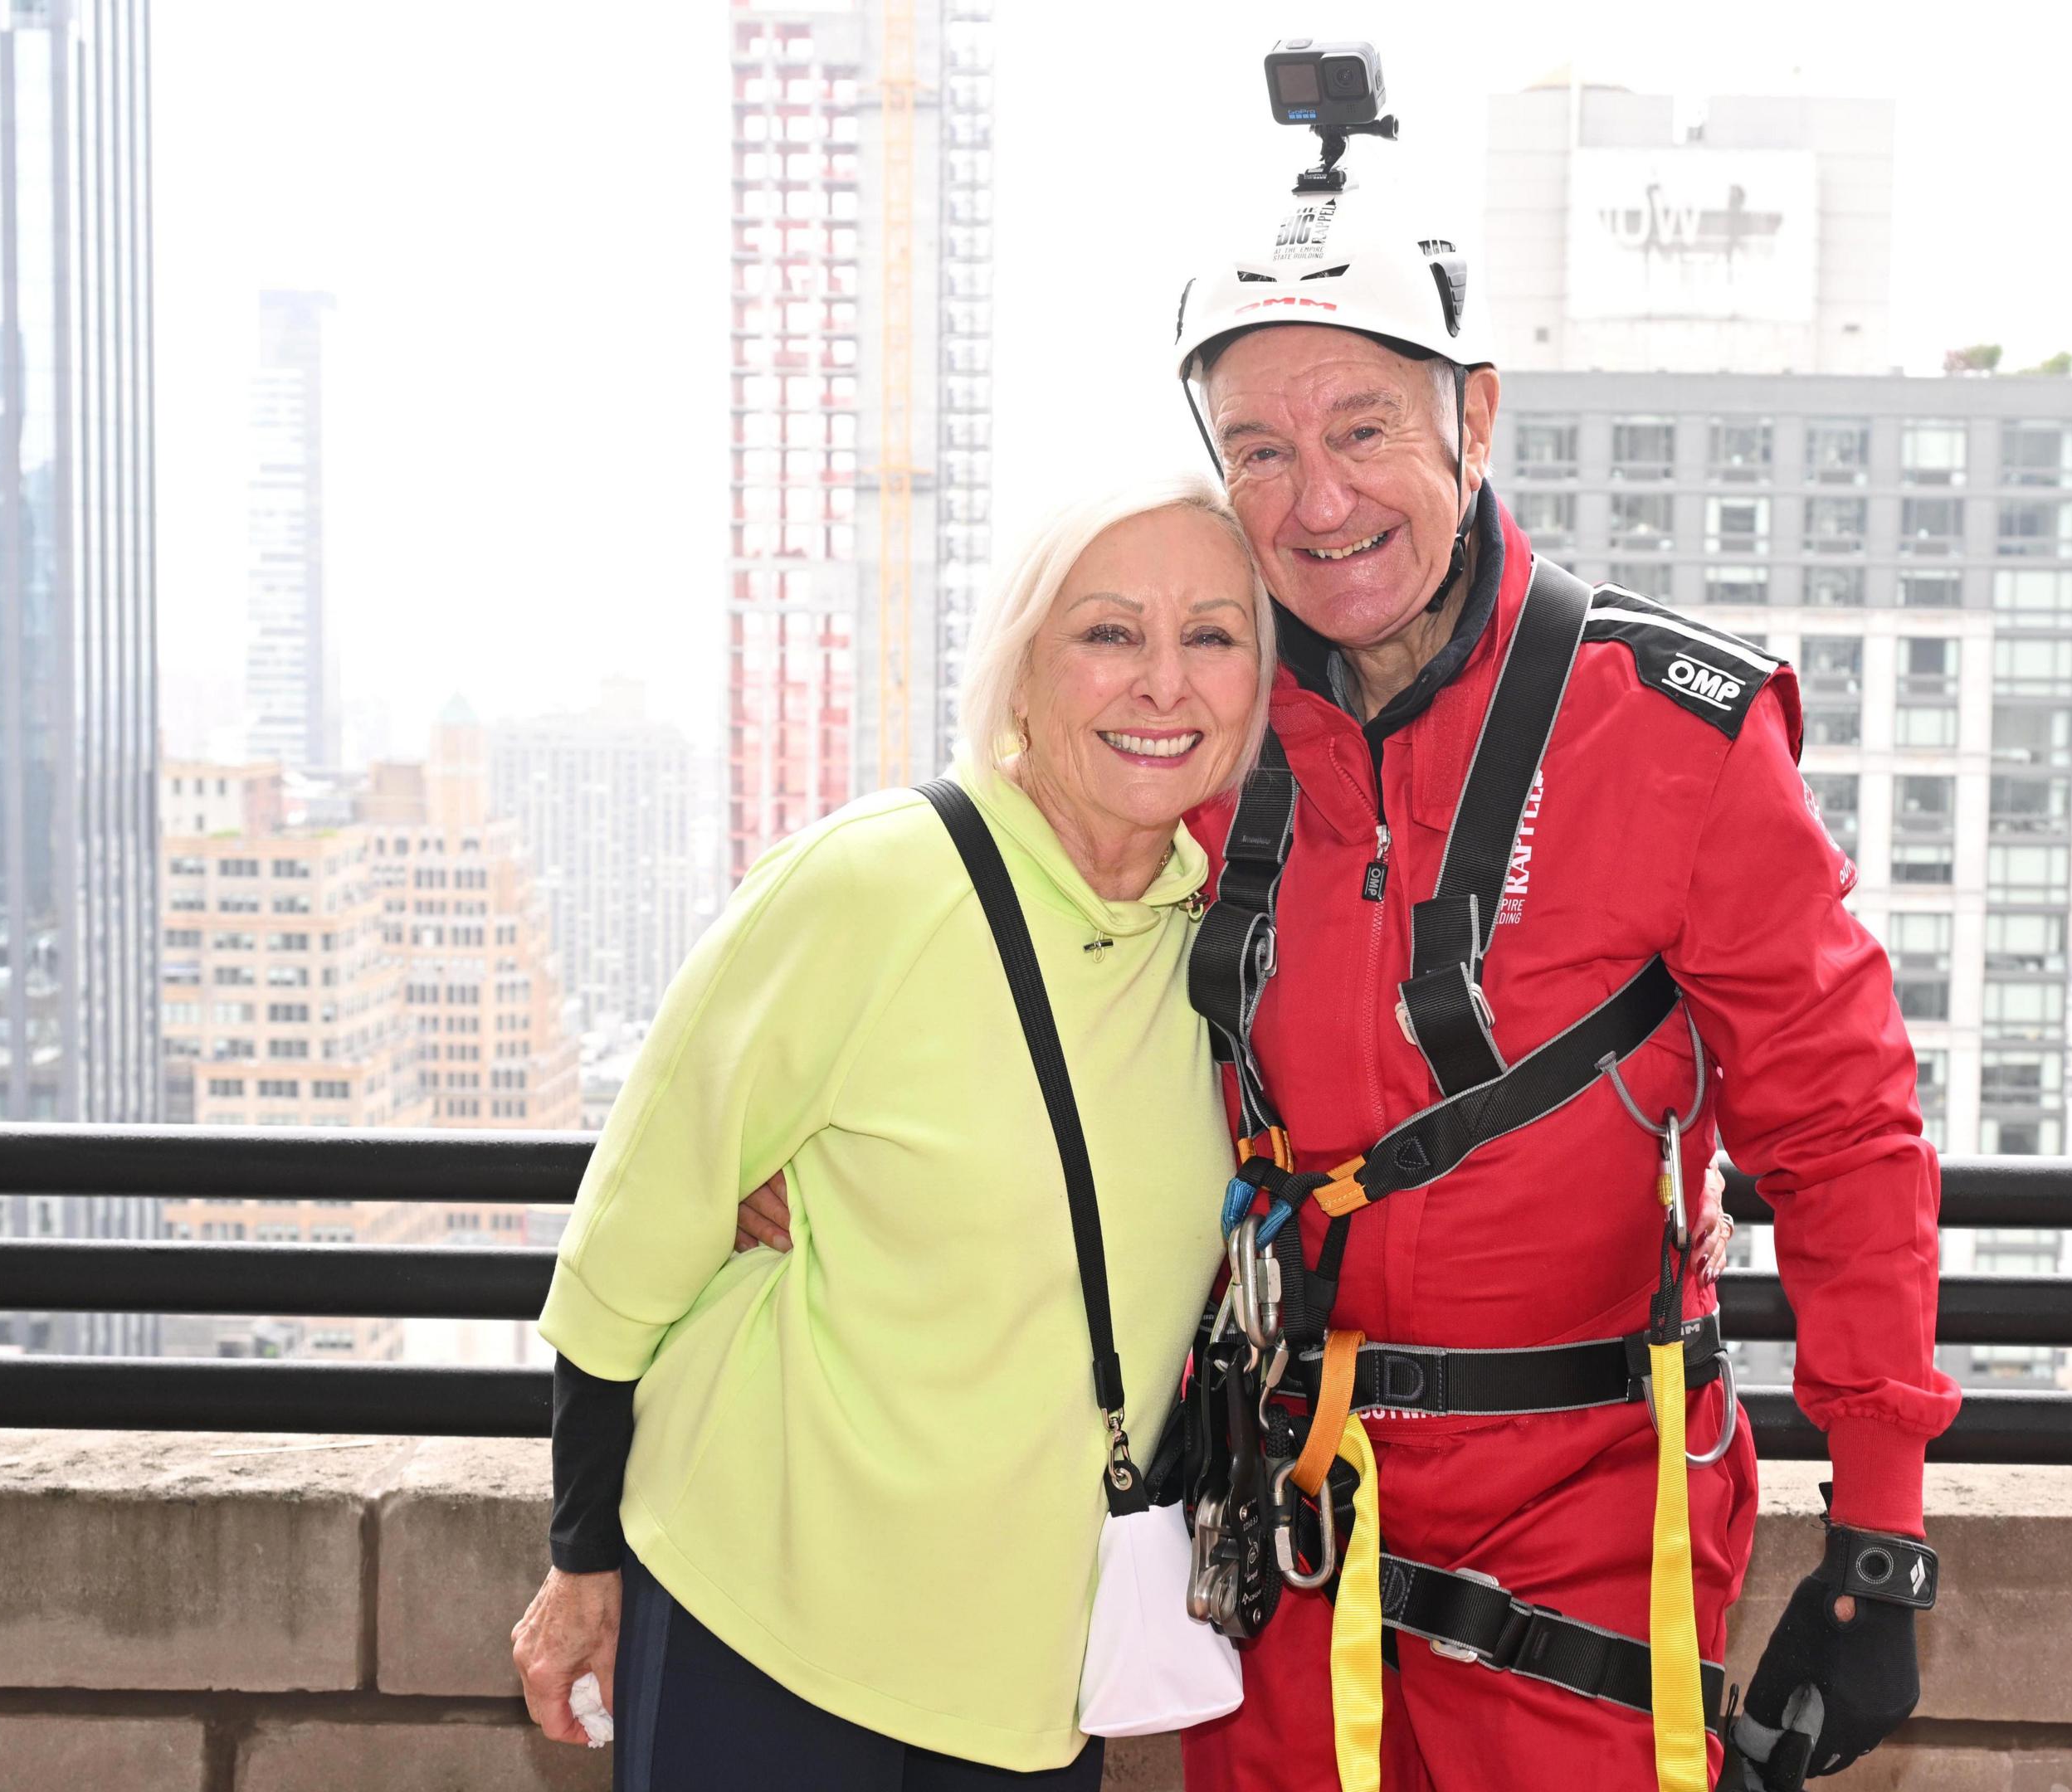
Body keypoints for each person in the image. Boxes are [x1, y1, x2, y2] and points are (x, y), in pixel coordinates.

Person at [743, 170, 1956, 1790]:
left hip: (1588, 1525)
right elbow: (997, 954)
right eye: (1260, 451)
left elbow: (1844, 1130)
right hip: (1273, 1518)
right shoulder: (1196, 731)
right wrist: (795, 1150)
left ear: (1478, 420)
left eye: (1366, 430)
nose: (1318, 503)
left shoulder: (1674, 736)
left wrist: (1879, 1538)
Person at [511, 477, 1276, 1790]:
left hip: (1035, 1680)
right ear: (1019, 676)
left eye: (1212, 637)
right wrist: (583, 1560)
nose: (1164, 684)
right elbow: (630, 1244)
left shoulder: (1229, 950)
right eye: (1107, 635)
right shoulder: (869, 884)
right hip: (767, 1627)